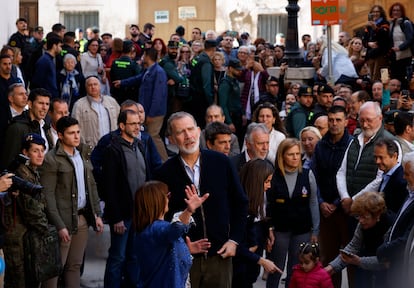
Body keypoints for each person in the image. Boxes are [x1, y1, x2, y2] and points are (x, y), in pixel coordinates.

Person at [154, 111, 248, 288]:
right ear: (171, 139)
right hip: (183, 259)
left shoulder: (221, 162)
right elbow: (160, 220)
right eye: (181, 132)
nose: (188, 135)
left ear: (199, 131)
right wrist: (179, 247)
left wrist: (234, 240)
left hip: (220, 256)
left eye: (190, 129)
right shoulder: (164, 173)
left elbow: (240, 203)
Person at [40, 116, 104, 288]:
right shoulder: (51, 159)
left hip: (82, 218)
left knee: (74, 266)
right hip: (62, 220)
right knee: (54, 268)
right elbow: (48, 196)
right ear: (60, 135)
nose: (76, 136)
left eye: (77, 132)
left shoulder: (82, 154)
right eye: (71, 133)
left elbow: (91, 186)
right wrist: (59, 225)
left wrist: (97, 214)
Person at [102, 110, 150, 287]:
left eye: (138, 123)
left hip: (140, 215)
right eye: (133, 124)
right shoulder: (113, 150)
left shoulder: (141, 145)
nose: (137, 127)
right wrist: (116, 217)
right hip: (122, 216)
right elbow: (110, 187)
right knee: (117, 257)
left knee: (135, 256)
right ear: (122, 126)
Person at [266, 138, 320, 288]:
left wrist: (315, 229)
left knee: (296, 269)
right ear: (282, 156)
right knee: (276, 268)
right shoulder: (273, 175)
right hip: (280, 229)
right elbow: (267, 204)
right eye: (291, 154)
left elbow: (313, 202)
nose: (296, 157)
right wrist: (269, 227)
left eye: (298, 154)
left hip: (302, 229)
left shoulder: (307, 174)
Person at [135, 181, 209, 288]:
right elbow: (176, 229)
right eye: (167, 195)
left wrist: (185, 249)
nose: (169, 199)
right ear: (156, 201)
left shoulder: (147, 231)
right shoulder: (156, 229)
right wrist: (189, 211)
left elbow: (161, 255)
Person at [312, 105, 352, 288]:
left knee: (350, 256)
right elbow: (314, 176)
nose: (334, 124)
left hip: (344, 208)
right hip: (325, 209)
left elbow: (349, 177)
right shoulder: (320, 145)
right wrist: (320, 202)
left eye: (338, 120)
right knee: (328, 257)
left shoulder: (352, 145)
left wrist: (336, 203)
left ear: (346, 121)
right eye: (331, 120)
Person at [3, 133, 50, 287]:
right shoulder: (22, 173)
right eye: (35, 151)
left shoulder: (31, 171)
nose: (40, 154)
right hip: (17, 237)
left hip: (25, 236)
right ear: (25, 152)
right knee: (19, 280)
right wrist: (47, 230)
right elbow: (32, 211)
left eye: (42, 150)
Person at [336, 101, 400, 213]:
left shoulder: (390, 142)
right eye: (361, 120)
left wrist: (355, 200)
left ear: (380, 118)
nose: (365, 125)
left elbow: (381, 178)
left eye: (369, 120)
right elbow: (342, 171)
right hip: (349, 206)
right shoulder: (354, 140)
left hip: (370, 209)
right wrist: (345, 197)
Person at [325, 192, 391, 288]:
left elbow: (386, 261)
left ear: (377, 215)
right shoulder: (362, 223)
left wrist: (359, 261)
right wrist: (331, 268)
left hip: (386, 275)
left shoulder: (390, 225)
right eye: (358, 216)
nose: (360, 220)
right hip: (365, 265)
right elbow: (353, 246)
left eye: (364, 217)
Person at [232, 159, 282, 288]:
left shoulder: (252, 202)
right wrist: (262, 261)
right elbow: (237, 245)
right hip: (237, 268)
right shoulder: (239, 206)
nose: (269, 186)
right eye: (266, 182)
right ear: (255, 182)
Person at [113, 47, 169, 161]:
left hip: (155, 113)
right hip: (146, 110)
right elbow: (138, 78)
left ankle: (165, 161)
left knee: (154, 136)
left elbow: (158, 96)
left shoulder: (159, 72)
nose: (142, 58)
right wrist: (122, 82)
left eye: (144, 55)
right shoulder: (148, 69)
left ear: (148, 56)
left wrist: (151, 115)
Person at [2, 88, 53, 169]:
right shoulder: (17, 127)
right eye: (40, 103)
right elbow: (8, 161)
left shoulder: (46, 126)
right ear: (29, 104)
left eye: (47, 104)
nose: (44, 107)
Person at [71, 76, 120, 148]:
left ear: (100, 86)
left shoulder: (111, 101)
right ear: (86, 87)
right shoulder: (79, 105)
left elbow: (120, 122)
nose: (93, 87)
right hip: (91, 147)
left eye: (95, 84)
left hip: (113, 145)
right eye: (90, 85)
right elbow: (75, 128)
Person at [186, 39, 216, 128]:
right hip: (201, 100)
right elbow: (206, 84)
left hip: (193, 96)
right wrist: (211, 102)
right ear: (213, 49)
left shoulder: (197, 58)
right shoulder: (206, 62)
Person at [218, 58, 244, 144]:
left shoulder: (235, 81)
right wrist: (229, 122)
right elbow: (223, 104)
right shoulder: (225, 83)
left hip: (237, 115)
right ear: (230, 68)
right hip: (231, 116)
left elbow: (238, 99)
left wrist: (243, 113)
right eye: (237, 69)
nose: (239, 71)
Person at [362, 5, 391, 81]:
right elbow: (364, 41)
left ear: (381, 13)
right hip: (371, 55)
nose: (375, 13)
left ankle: (385, 93)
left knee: (382, 78)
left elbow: (385, 38)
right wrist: (369, 44)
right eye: (373, 12)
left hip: (382, 55)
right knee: (372, 78)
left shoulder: (385, 23)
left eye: (377, 11)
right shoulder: (368, 26)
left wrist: (376, 28)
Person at [388, 2, 413, 88]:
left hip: (405, 57)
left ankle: (405, 100)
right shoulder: (391, 24)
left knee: (404, 81)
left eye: (398, 10)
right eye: (394, 10)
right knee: (393, 80)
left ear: (402, 12)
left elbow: (411, 39)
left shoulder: (406, 23)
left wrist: (399, 47)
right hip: (394, 57)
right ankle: (393, 100)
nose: (396, 12)